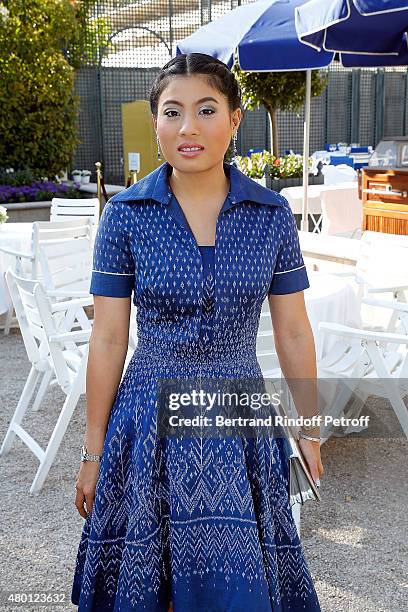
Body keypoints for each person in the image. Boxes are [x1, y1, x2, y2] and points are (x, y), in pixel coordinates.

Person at [71, 52, 324, 611]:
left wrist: (309, 426)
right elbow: (110, 339)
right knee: (149, 583)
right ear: (156, 123)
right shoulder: (126, 214)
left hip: (239, 418)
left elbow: (295, 333)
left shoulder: (272, 214)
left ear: (235, 119)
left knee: (238, 585)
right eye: (172, 112)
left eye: (206, 110)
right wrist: (92, 453)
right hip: (148, 419)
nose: (188, 127)